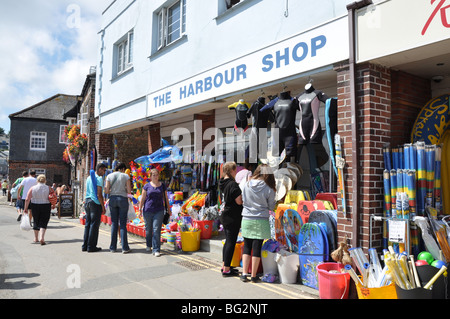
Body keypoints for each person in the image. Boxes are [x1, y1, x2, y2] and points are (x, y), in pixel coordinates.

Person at [240, 164, 276, 282]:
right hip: (261, 219)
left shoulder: (246, 184)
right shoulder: (269, 188)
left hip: (246, 218)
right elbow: (271, 206)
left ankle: (244, 273)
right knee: (256, 248)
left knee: (246, 247)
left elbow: (243, 200)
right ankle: (254, 275)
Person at [218, 161, 243, 277]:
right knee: (231, 242)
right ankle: (227, 269)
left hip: (225, 215)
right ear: (232, 171)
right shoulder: (233, 184)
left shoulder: (222, 183)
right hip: (232, 216)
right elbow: (239, 201)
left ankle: (225, 266)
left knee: (228, 241)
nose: (236, 172)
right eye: (235, 170)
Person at [139, 168, 169, 257]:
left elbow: (166, 198)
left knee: (156, 229)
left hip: (159, 210)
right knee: (148, 229)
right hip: (147, 210)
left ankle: (156, 249)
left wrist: (169, 210)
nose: (156, 176)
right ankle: (149, 244)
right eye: (154, 175)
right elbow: (143, 198)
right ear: (150, 176)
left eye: (157, 174)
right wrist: (140, 209)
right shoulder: (147, 186)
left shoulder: (162, 185)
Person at [104, 162, 132, 254]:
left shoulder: (109, 176)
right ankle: (124, 248)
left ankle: (113, 247)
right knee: (123, 224)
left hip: (113, 199)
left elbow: (106, 190)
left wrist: (113, 190)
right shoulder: (125, 176)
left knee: (114, 223)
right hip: (123, 199)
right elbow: (129, 190)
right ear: (123, 169)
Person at [23, 175, 55, 245]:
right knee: (44, 221)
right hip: (46, 206)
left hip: (35, 205)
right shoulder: (49, 188)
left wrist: (25, 208)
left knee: (36, 221)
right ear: (45, 180)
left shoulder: (33, 188)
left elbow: (27, 199)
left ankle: (36, 238)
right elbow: (53, 197)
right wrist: (53, 204)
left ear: (37, 180)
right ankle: (42, 237)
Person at [82, 163, 107, 253]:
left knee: (88, 224)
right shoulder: (99, 178)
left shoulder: (89, 178)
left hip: (87, 201)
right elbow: (99, 194)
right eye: (104, 170)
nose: (104, 173)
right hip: (95, 203)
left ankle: (85, 245)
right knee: (94, 225)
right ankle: (91, 246)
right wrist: (103, 207)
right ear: (99, 169)